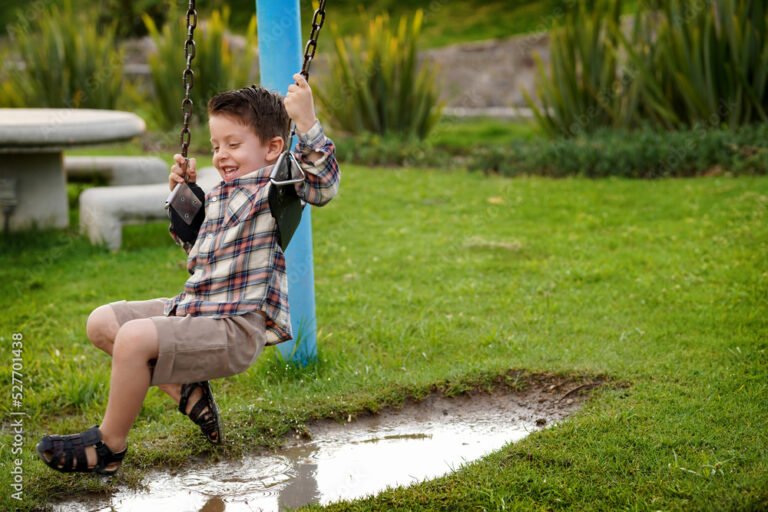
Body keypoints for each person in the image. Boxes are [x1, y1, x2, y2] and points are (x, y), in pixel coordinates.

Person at [36, 73, 340, 475]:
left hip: (235, 326)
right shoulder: (219, 191)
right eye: (216, 146)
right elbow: (198, 251)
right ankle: (188, 390)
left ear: (273, 148)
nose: (221, 155)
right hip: (196, 309)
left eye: (234, 145)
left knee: (134, 338)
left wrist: (307, 123)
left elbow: (324, 185)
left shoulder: (277, 184)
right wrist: (183, 198)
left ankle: (109, 446)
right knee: (103, 323)